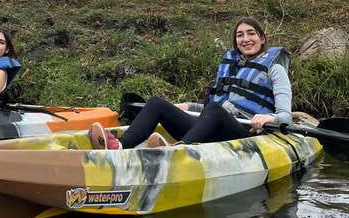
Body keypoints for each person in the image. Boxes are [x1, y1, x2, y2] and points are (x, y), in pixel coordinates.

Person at [90, 17, 292, 150]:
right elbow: (216, 108)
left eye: (251, 34)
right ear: (235, 42)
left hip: (245, 133)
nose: (246, 39)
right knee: (157, 103)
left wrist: (269, 118)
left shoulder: (275, 69)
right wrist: (189, 107)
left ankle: (179, 152)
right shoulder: (233, 67)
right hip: (214, 130)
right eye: (240, 35)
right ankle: (119, 147)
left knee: (213, 109)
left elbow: (286, 117)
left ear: (262, 39)